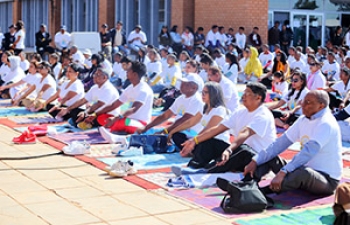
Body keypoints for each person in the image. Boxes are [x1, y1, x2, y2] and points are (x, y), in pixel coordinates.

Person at [244, 90, 342, 196]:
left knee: (304, 173)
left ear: (321, 106)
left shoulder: (326, 123)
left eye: (308, 102)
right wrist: (255, 161)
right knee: (269, 157)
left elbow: (307, 152)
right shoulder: (303, 119)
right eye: (303, 101)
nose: (302, 105)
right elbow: (280, 143)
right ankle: (249, 183)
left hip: (326, 179)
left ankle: (261, 192)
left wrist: (284, 171)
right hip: (301, 168)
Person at [180, 82, 277, 174]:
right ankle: (194, 166)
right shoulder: (240, 112)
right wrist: (194, 141)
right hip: (239, 151)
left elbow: (245, 133)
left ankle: (207, 171)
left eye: (247, 93)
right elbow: (217, 129)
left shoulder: (263, 115)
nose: (243, 96)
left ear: (258, 97)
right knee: (209, 141)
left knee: (243, 150)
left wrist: (229, 150)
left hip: (256, 159)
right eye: (244, 92)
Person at [168, 82, 230, 170]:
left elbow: (209, 130)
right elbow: (190, 122)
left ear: (214, 94)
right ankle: (193, 153)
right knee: (177, 135)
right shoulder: (204, 108)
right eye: (202, 92)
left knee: (203, 143)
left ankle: (195, 164)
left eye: (206, 92)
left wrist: (193, 141)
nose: (203, 95)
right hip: (202, 139)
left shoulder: (220, 110)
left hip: (216, 142)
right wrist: (172, 131)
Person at [138, 73, 204, 150]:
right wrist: (146, 128)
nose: (181, 85)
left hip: (190, 134)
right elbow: (165, 116)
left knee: (171, 136)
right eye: (182, 83)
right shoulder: (180, 99)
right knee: (151, 132)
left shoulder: (197, 100)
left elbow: (185, 120)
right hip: (178, 131)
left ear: (194, 87)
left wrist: (166, 131)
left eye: (185, 84)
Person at [95, 61, 153, 136]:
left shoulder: (143, 90)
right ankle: (115, 130)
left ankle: (114, 131)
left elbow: (133, 109)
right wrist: (95, 114)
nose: (126, 72)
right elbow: (114, 105)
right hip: (126, 119)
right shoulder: (130, 87)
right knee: (102, 118)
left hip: (140, 123)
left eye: (128, 70)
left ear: (135, 74)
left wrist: (116, 118)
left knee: (123, 122)